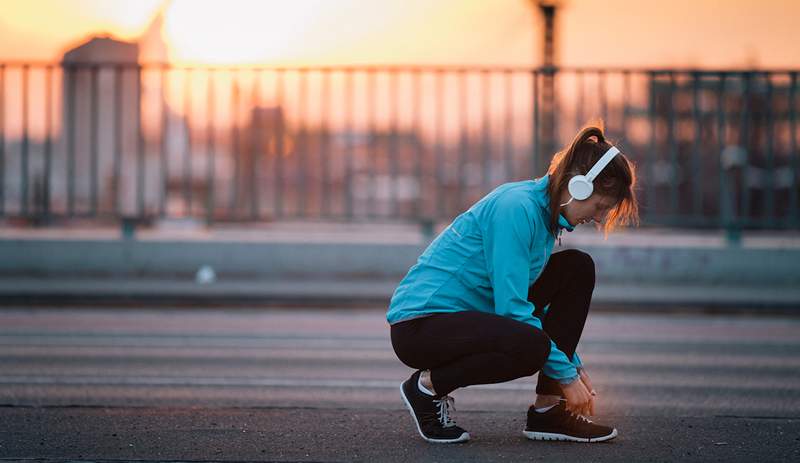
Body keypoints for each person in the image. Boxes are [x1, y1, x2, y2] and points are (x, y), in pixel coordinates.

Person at [387, 123, 639, 444]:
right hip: (422, 326)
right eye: (601, 206)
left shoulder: (546, 217)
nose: (601, 217)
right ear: (578, 187)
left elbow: (539, 308)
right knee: (531, 346)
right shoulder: (516, 208)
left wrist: (571, 366)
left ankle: (549, 413)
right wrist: (566, 374)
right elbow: (513, 310)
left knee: (576, 268)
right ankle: (426, 388)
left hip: (470, 317)